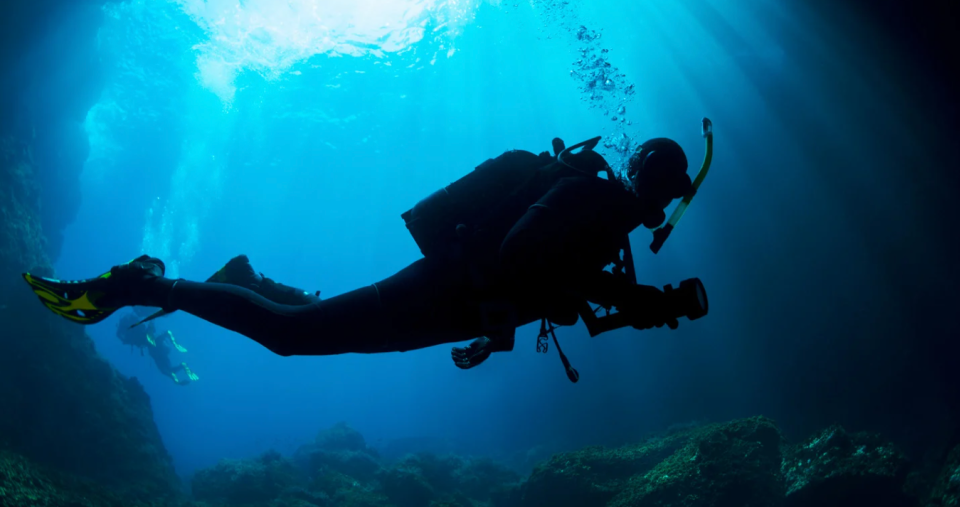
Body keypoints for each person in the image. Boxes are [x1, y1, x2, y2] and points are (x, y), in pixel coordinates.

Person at [23, 133, 711, 379]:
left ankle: (247, 280)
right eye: (671, 189)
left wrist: (500, 331)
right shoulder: (593, 202)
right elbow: (520, 253)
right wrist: (623, 297)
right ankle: (145, 283)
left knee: (314, 327)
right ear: (657, 184)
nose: (666, 204)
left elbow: (543, 278)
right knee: (292, 338)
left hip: (453, 304)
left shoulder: (603, 216)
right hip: (444, 290)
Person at [116, 310, 198, 385]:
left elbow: (126, 339)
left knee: (165, 369)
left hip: (152, 347)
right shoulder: (131, 330)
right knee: (166, 369)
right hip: (153, 347)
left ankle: (180, 363)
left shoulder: (127, 332)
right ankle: (181, 364)